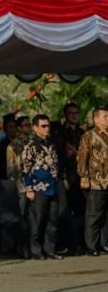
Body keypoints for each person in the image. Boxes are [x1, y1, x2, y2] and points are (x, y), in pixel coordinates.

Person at [20, 114, 62, 260]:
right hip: (38, 188)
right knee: (37, 220)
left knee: (53, 220)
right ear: (35, 128)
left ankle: (50, 249)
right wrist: (29, 188)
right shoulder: (30, 146)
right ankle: (36, 251)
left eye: (48, 125)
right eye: (43, 126)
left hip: (53, 186)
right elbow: (25, 169)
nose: (46, 129)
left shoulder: (51, 144)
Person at [54, 103, 85, 254]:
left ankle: (79, 244)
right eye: (71, 113)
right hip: (67, 177)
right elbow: (59, 157)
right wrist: (63, 176)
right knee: (65, 212)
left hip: (81, 176)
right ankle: (66, 244)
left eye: (76, 113)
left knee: (81, 211)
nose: (74, 115)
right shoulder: (60, 133)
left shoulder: (82, 132)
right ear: (65, 115)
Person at [77, 107, 108, 257]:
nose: (107, 119)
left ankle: (104, 243)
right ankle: (91, 245)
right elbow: (83, 157)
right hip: (96, 180)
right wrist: (84, 176)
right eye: (105, 116)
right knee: (94, 215)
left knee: (106, 216)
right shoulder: (89, 136)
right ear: (96, 119)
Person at [0, 114, 17, 180]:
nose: (14, 129)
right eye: (11, 127)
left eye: (15, 127)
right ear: (5, 130)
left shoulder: (20, 143)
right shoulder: (1, 146)